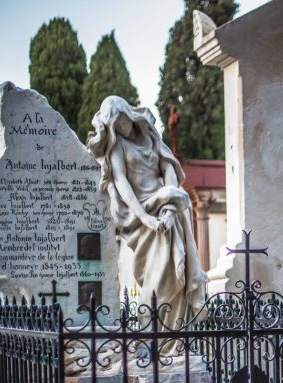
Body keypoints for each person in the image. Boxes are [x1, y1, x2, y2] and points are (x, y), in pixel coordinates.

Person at [87, 96, 206, 331]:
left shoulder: (151, 138)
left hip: (166, 207)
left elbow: (169, 170)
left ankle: (176, 336)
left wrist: (170, 208)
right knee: (158, 274)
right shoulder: (117, 146)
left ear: (129, 115)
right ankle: (154, 335)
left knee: (174, 271)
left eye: (123, 120)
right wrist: (146, 218)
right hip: (142, 215)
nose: (122, 127)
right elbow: (121, 181)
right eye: (116, 125)